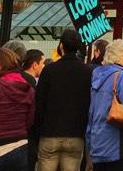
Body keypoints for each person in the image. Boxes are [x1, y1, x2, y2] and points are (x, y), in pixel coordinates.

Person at [35, 28, 91, 171]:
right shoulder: (87, 71)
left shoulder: (49, 70)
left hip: (49, 132)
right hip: (76, 134)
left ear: (61, 46)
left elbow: (39, 102)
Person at [87, 39, 123, 171]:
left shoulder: (97, 75)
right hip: (117, 144)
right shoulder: (121, 76)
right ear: (118, 57)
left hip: (97, 143)